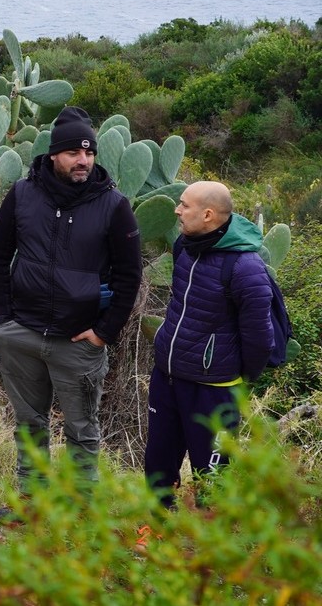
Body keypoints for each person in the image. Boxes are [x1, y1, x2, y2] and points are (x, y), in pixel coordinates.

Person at [0, 106, 141, 518]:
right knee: (30, 424)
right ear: (54, 154)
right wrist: (3, 319)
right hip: (22, 332)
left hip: (79, 340)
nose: (83, 160)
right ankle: (31, 502)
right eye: (74, 152)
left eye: (88, 153)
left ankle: (78, 509)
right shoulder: (23, 194)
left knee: (82, 430)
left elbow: (129, 276)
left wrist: (104, 332)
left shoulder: (113, 205)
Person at [147, 181, 276, 509]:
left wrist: (232, 376)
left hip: (214, 389)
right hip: (168, 375)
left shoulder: (246, 269)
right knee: (159, 458)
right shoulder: (184, 245)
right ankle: (158, 525)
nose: (177, 210)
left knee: (213, 472)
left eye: (184, 205)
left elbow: (259, 338)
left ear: (207, 215)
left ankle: (208, 544)